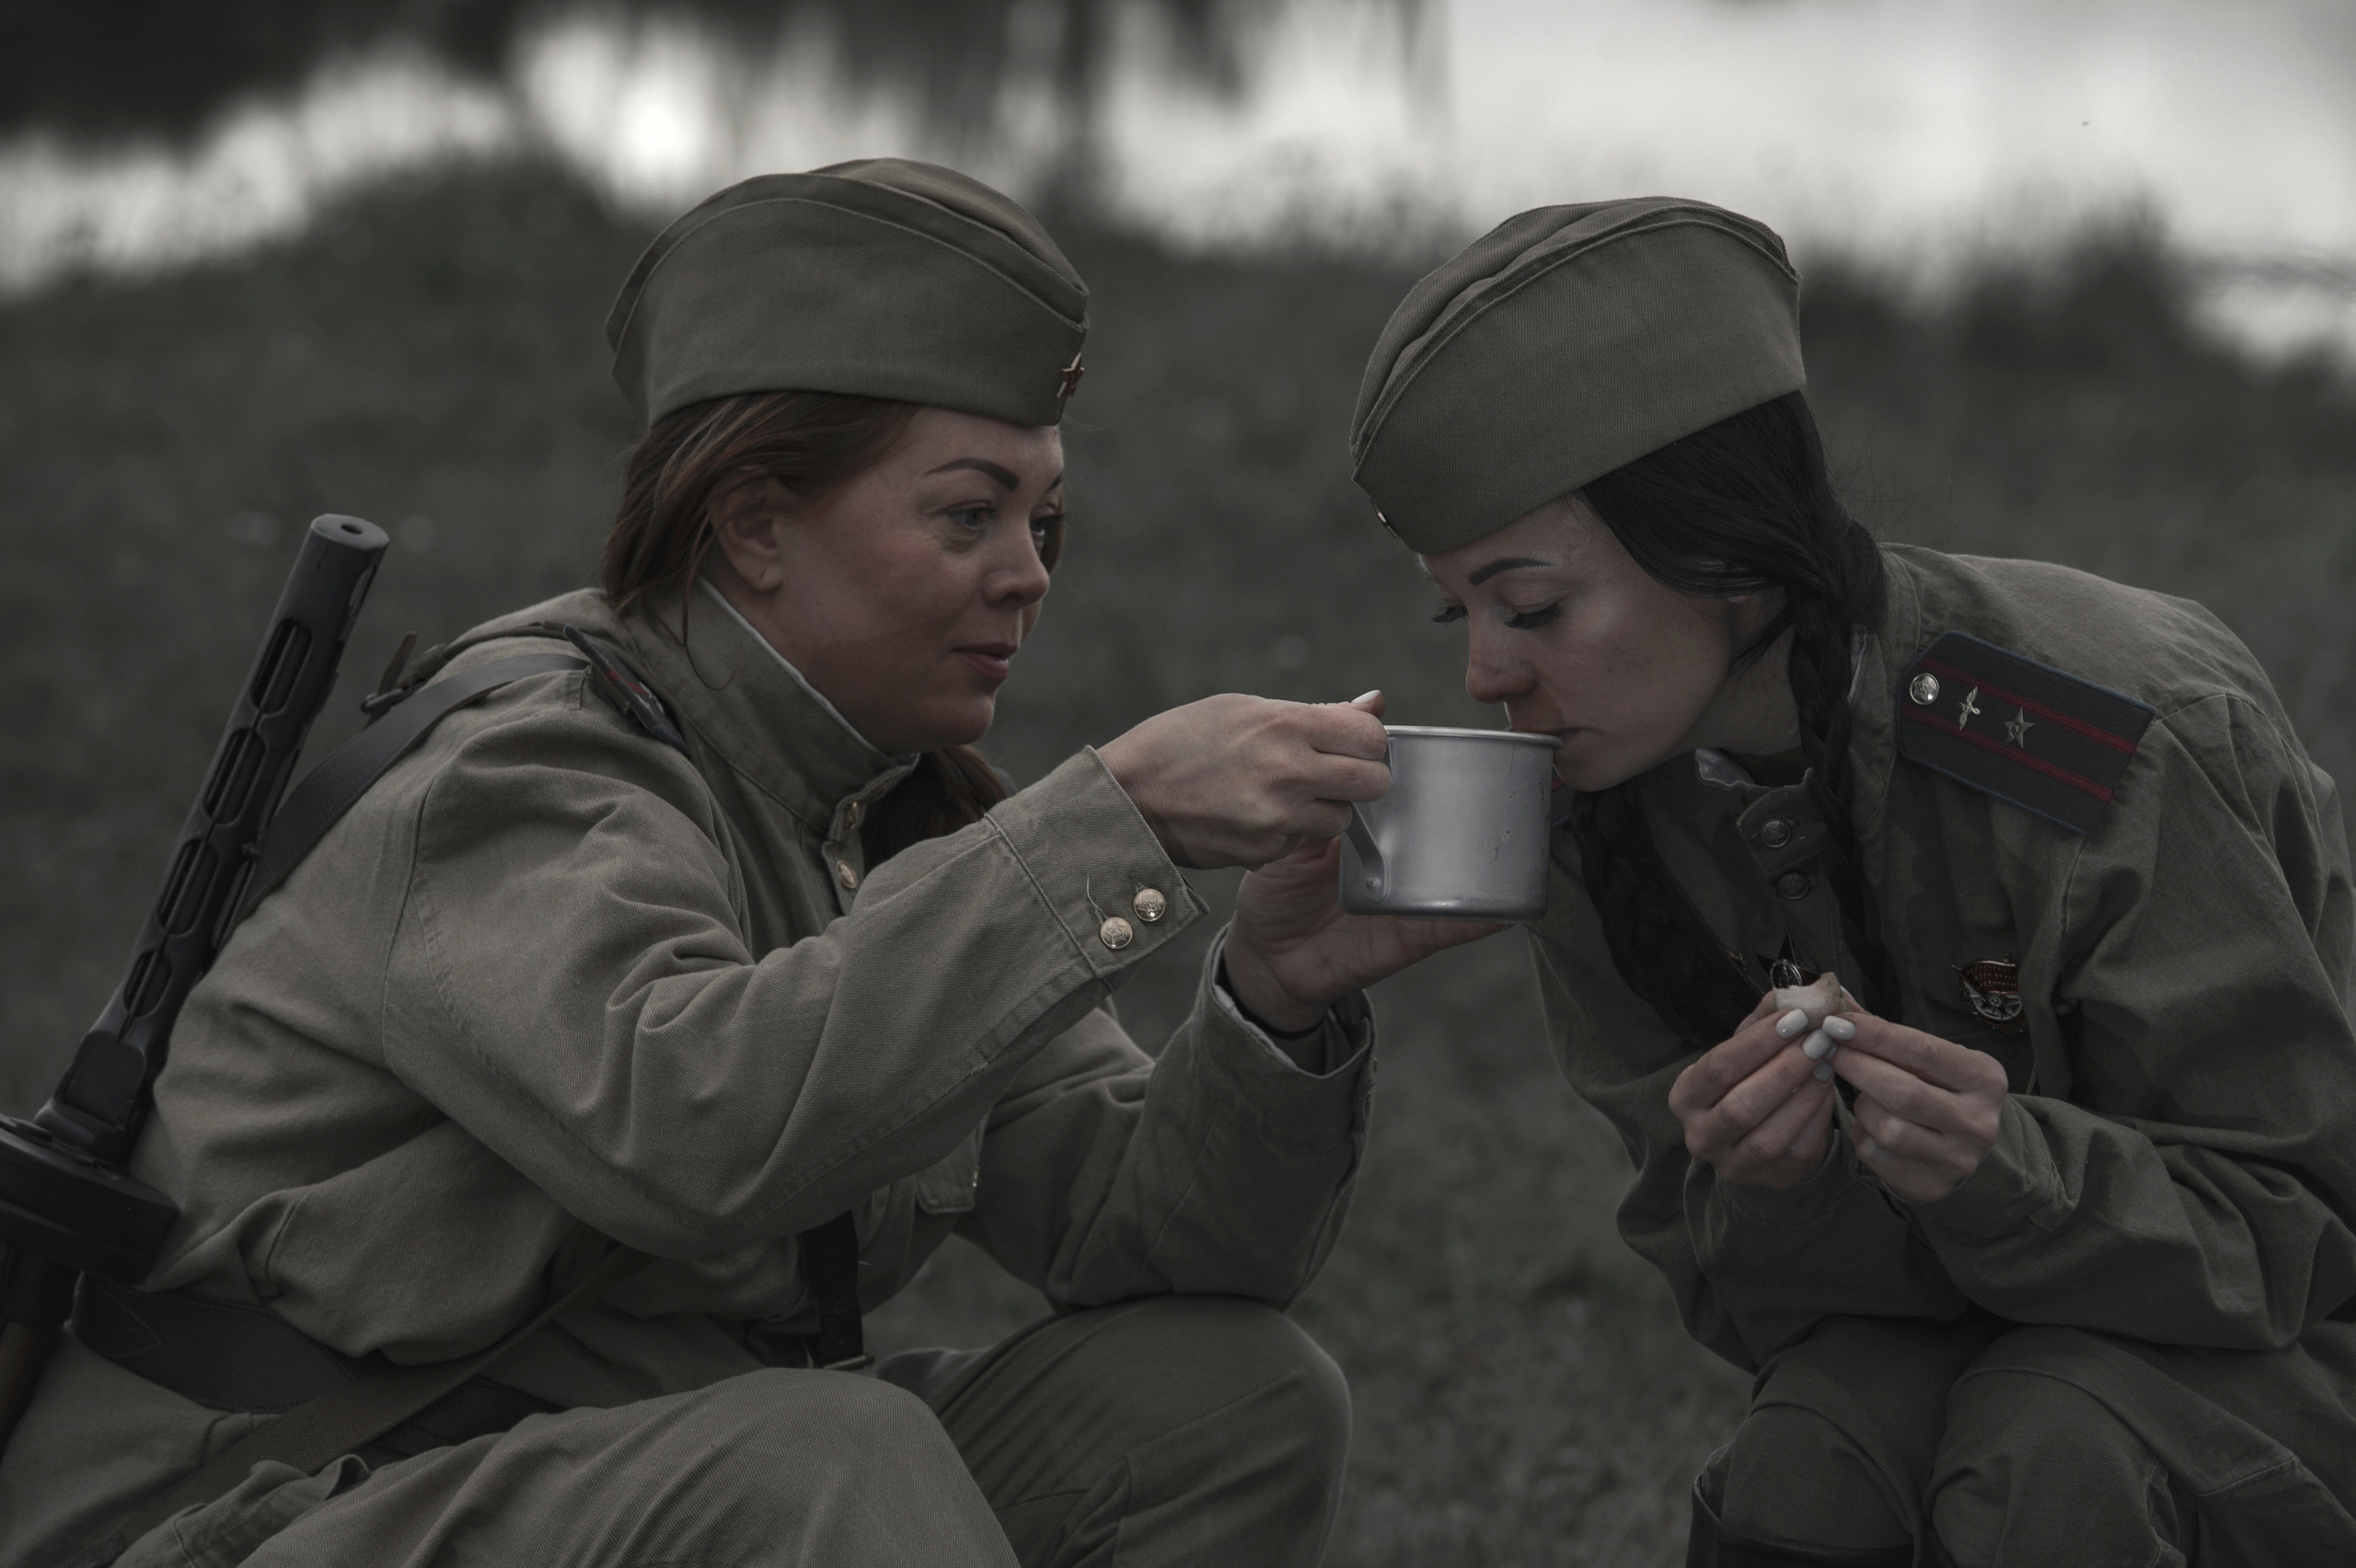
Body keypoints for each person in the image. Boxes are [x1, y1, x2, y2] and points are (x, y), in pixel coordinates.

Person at [0, 159, 1493, 1568]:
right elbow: (692, 1130)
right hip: (255, 1506)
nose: (1029, 572)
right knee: (826, 1456)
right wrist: (1116, 824)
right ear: (757, 526)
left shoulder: (872, 816)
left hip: (592, 1468)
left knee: (1231, 1399)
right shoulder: (523, 774)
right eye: (968, 513)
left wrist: (1275, 1001)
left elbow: (1140, 1233)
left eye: (1044, 522)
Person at [1345, 197, 2356, 1566]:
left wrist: (2006, 1172)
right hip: (1987, 1343)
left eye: (1532, 608)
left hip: (2293, 1362)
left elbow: (2297, 1239)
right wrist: (1776, 1188)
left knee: (2046, 1446)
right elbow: (1759, 1318)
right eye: (1455, 611)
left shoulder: (2104, 729)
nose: (1486, 674)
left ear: (1725, 551)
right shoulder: (1598, 813)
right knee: (1808, 1460)